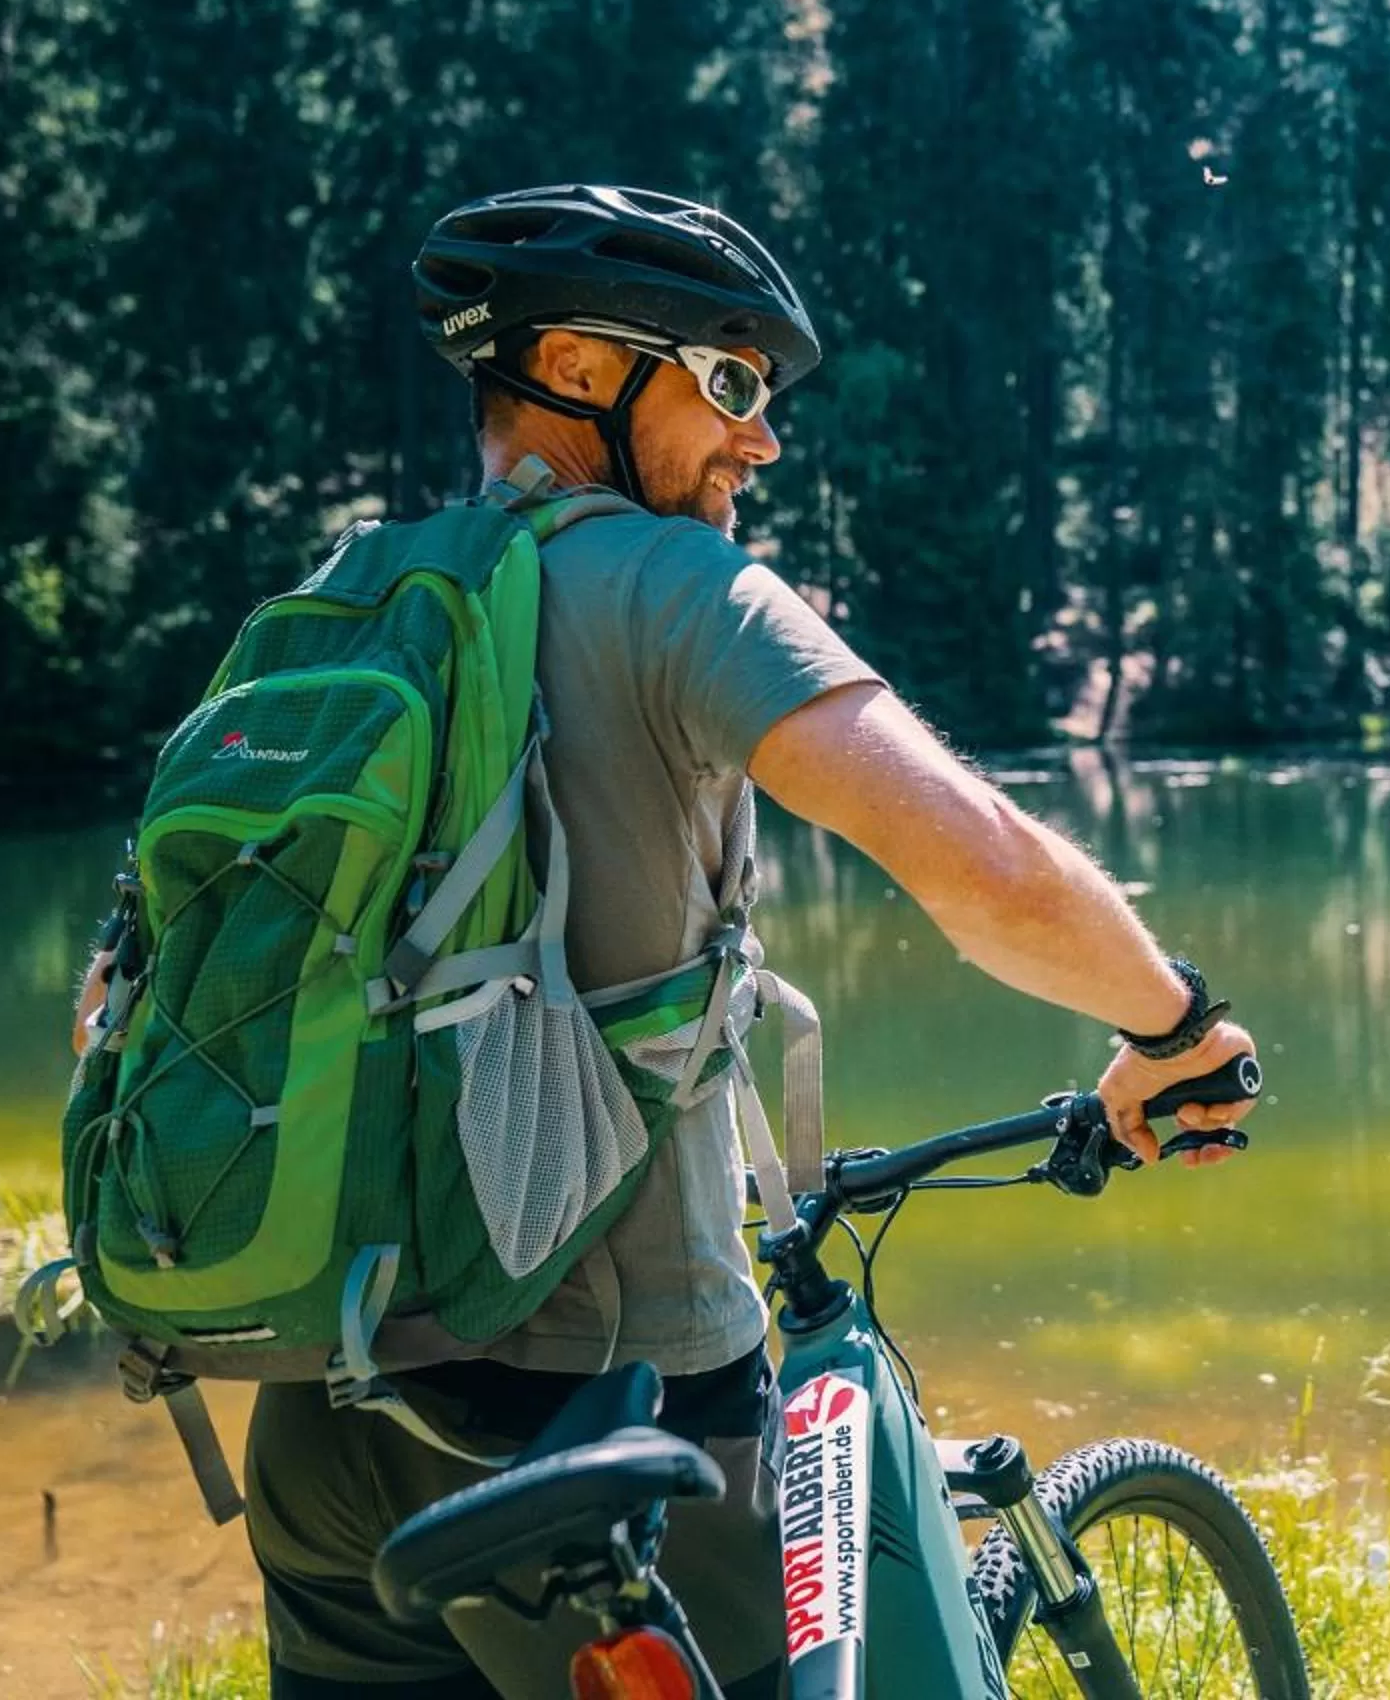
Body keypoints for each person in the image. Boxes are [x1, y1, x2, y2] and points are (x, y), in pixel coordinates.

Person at [70, 184, 1258, 1699]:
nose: (762, 441)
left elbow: (128, 992)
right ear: (574, 369)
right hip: (605, 1429)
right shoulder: (669, 586)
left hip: (319, 1429)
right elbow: (986, 868)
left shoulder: (330, 603)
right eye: (732, 383)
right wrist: (1174, 1027)